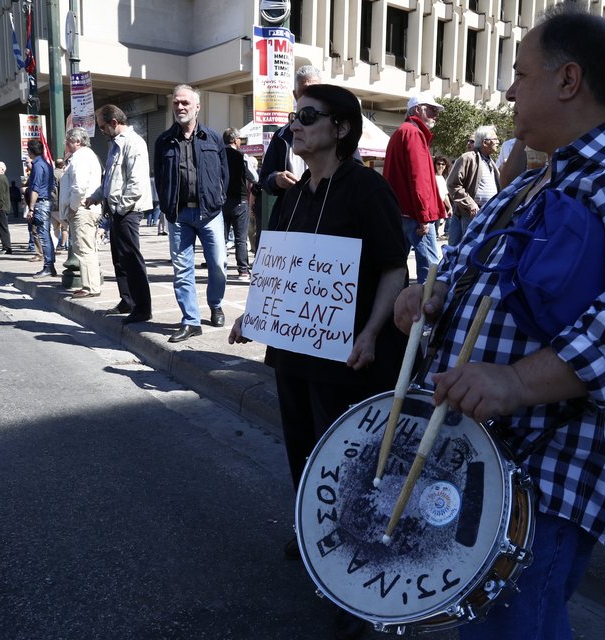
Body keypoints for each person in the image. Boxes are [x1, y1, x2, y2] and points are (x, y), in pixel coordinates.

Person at [392, 7, 605, 637]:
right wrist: (424, 296)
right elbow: (456, 271)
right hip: (465, 455)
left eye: (520, 73)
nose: (510, 90)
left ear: (568, 80)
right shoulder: (531, 184)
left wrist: (515, 382)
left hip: (543, 476)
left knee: (513, 625)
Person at [229, 83, 407, 639]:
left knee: (351, 464)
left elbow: (393, 269)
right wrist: (252, 316)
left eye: (308, 116)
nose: (294, 126)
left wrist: (373, 332)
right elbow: (279, 269)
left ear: (341, 129)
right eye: (293, 118)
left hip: (347, 356)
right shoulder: (295, 193)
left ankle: (355, 574)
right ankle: (315, 530)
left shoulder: (367, 190)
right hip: (294, 351)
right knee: (304, 449)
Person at [153, 84, 229, 342]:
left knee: (218, 265)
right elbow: (160, 179)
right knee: (182, 270)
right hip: (179, 216)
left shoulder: (213, 137)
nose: (180, 107)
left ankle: (215, 303)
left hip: (210, 214)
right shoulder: (164, 141)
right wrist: (166, 207)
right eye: (176, 103)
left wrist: (218, 200)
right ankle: (191, 320)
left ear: (197, 106)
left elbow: (224, 175)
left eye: (185, 103)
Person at [88, 104, 154, 324]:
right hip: (117, 210)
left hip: (127, 211)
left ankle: (142, 307)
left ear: (114, 123)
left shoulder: (133, 143)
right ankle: (127, 300)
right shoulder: (116, 145)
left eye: (102, 127)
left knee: (131, 259)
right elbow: (110, 179)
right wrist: (97, 196)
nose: (102, 131)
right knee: (120, 259)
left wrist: (119, 207)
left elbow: (136, 182)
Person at [383, 91, 447, 284]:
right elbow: (419, 179)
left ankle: (397, 306)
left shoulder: (402, 131)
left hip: (401, 212)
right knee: (430, 267)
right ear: (418, 110)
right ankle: (424, 310)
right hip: (413, 214)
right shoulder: (413, 133)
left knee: (396, 265)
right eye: (432, 110)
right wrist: (423, 217)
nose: (435, 115)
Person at [257, 65, 322, 233]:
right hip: (291, 219)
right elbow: (265, 178)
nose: (309, 97)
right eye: (304, 91)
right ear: (295, 95)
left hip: (327, 216)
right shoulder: (282, 135)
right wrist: (276, 179)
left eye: (315, 90)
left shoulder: (335, 129)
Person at [61, 127, 104, 299]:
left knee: (84, 249)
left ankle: (90, 287)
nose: (66, 144)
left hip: (82, 209)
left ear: (77, 141)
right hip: (87, 208)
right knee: (88, 248)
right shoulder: (87, 156)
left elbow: (79, 186)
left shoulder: (81, 157)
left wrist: (72, 207)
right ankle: (91, 285)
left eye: (68, 141)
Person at [446, 124, 501, 246]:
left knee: (483, 249)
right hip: (472, 214)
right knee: (469, 249)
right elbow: (452, 184)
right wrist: (470, 204)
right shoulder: (468, 158)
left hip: (489, 213)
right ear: (485, 142)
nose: (498, 142)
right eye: (495, 139)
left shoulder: (490, 162)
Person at [222, 127, 257, 280]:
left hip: (222, 201)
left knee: (221, 238)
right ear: (235, 140)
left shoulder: (218, 155)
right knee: (240, 239)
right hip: (240, 201)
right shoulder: (242, 157)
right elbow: (254, 177)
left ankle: (219, 268)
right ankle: (243, 270)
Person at [25, 139, 57, 278]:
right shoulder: (46, 164)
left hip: (41, 203)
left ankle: (48, 266)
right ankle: (50, 266)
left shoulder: (38, 166)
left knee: (43, 236)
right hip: (46, 201)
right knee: (46, 235)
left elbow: (36, 188)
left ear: (30, 151)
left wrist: (31, 208)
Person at [433, 155, 452, 237]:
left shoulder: (443, 178)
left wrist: (450, 207)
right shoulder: (433, 177)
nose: (441, 166)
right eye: (438, 164)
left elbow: (444, 195)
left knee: (434, 234)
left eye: (443, 164)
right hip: (433, 208)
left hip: (439, 208)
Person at [52, 157, 68, 252]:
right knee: (67, 226)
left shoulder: (50, 174)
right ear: (63, 165)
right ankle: (65, 245)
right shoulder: (62, 175)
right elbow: (63, 190)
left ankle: (52, 248)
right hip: (59, 205)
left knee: (53, 229)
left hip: (51, 205)